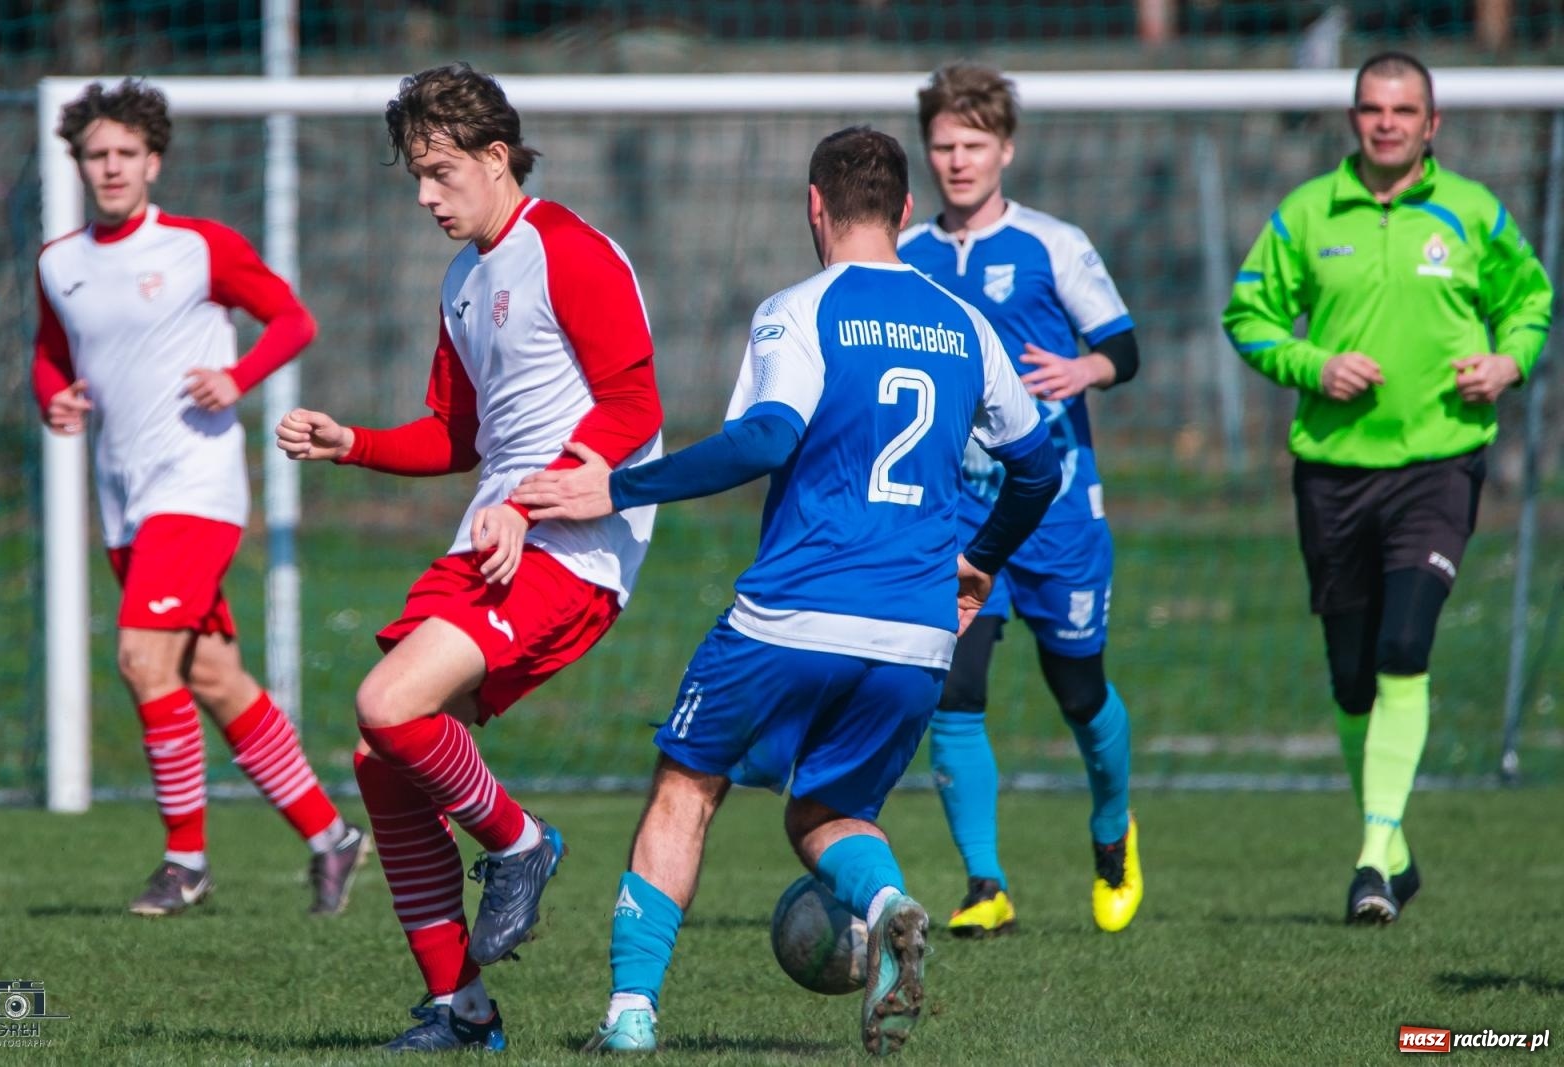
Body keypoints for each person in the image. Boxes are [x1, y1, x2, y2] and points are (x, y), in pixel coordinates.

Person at [512, 126, 1061, 1057]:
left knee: (687, 787)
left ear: (815, 206)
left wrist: (621, 483)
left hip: (793, 612)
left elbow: (766, 437)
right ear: (904, 212)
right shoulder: (966, 323)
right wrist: (982, 561)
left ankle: (632, 1015)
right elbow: (1037, 468)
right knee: (827, 813)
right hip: (919, 633)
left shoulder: (800, 309)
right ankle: (888, 903)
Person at [276, 63, 664, 1051]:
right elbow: (457, 435)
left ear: (497, 157)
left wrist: (531, 505)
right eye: (414, 174)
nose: (424, 196)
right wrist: (348, 440)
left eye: (440, 172)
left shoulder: (568, 250)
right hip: (495, 537)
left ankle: (522, 842)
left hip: (572, 546)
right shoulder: (463, 281)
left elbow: (634, 407)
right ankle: (464, 1006)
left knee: (386, 702)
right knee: (379, 756)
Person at [1223, 52, 1552, 924]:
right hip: (1332, 472)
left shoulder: (1472, 211)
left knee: (1406, 644)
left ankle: (1370, 860)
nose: (1386, 122)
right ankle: (1394, 847)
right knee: (1351, 679)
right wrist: (1313, 363)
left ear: (1432, 123)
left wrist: (1508, 361)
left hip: (1439, 464)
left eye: (1404, 109)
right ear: (1353, 118)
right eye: (1372, 108)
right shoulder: (1304, 215)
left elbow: (1531, 300)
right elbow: (1246, 314)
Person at [32, 79, 368, 919]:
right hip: (121, 496)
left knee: (142, 658)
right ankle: (332, 838)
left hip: (198, 485)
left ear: (152, 161)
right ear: (79, 164)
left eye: (124, 154)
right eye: (95, 155)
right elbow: (48, 354)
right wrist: (54, 397)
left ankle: (185, 863)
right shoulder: (59, 262)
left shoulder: (199, 246)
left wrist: (237, 377)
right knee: (212, 676)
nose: (110, 167)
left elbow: (292, 319)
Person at [895, 62, 1144, 936]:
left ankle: (1112, 829)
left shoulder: (1051, 242)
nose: (957, 161)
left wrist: (1087, 368)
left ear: (1005, 147)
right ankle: (984, 884)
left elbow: (1124, 345)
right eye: (942, 146)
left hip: (1059, 506)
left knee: (1079, 690)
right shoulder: (909, 258)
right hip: (957, 511)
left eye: (973, 144)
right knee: (955, 687)